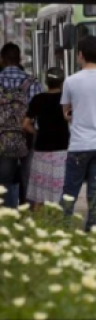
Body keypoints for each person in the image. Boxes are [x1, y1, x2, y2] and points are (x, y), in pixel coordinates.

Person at [60, 35, 96, 231]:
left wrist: (76, 114)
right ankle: (92, 232)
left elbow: (66, 113)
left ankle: (63, 229)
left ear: (81, 55)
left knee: (70, 191)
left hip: (79, 145)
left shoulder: (70, 81)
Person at [0, 43, 42, 208]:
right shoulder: (32, 83)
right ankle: (30, 221)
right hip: (28, 138)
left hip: (3, 140)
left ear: (2, 59)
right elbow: (39, 115)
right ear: (19, 60)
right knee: (29, 181)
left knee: (4, 182)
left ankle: (8, 219)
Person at [22, 67, 69, 210]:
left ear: (46, 82)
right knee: (58, 191)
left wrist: (37, 132)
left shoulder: (38, 99)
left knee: (40, 192)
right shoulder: (66, 100)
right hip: (61, 150)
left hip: (41, 149)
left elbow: (25, 124)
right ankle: (56, 225)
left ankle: (38, 225)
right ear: (62, 82)